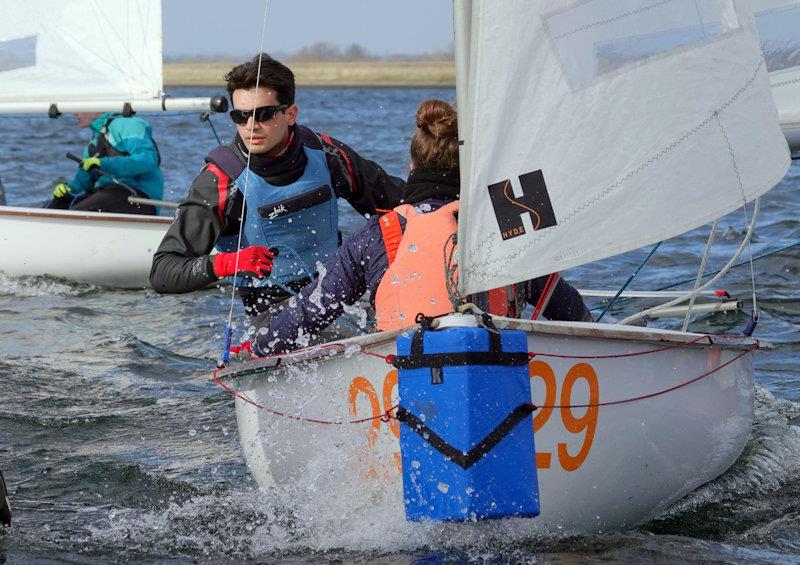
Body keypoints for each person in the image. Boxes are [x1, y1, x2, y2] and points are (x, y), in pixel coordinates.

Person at [239, 99, 592, 358]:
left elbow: (310, 311)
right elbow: (567, 308)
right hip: (496, 370)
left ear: (412, 165)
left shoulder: (380, 233)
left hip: (404, 379)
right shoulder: (503, 225)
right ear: (471, 168)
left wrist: (257, 348)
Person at [149, 53, 405, 316]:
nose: (251, 126)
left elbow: (399, 201)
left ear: (290, 114)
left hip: (341, 296)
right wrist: (225, 263)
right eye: (241, 116)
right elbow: (163, 270)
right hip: (272, 317)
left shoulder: (327, 154)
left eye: (264, 114)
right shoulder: (221, 180)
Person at [51, 111, 163, 215]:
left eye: (78, 107)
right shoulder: (94, 143)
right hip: (111, 193)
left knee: (78, 213)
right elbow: (84, 181)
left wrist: (104, 164)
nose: (74, 113)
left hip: (140, 198)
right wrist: (70, 189)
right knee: (56, 207)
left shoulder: (127, 124)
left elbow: (149, 159)